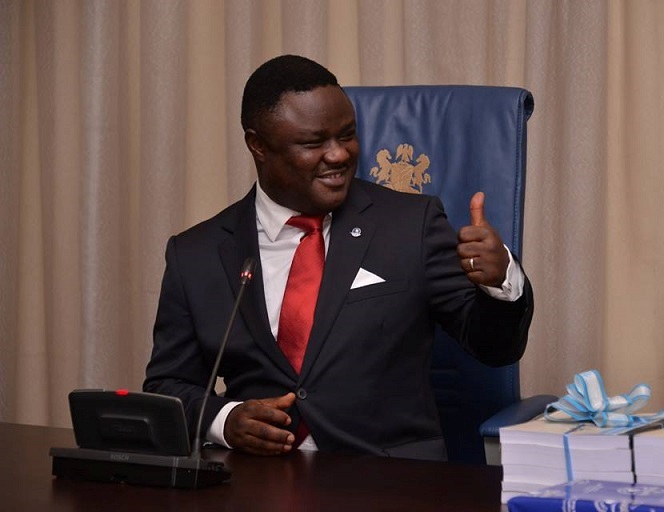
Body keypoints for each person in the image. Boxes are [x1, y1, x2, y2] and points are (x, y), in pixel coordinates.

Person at [143, 54, 533, 461]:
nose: (339, 155)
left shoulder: (410, 225)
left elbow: (494, 348)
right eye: (314, 143)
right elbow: (168, 385)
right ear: (258, 145)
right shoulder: (198, 254)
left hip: (389, 477)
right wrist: (224, 420)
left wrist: (500, 282)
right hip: (258, 477)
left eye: (347, 135)